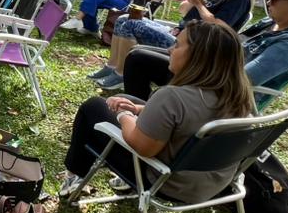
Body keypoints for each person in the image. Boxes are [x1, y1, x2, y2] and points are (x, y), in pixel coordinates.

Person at [61, 19, 256, 203]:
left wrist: (123, 115)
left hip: (164, 182)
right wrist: (138, 109)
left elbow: (143, 147)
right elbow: (191, 120)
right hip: (211, 185)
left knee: (94, 107)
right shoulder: (240, 99)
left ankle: (74, 175)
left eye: (177, 45)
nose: (170, 50)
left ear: (198, 57)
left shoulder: (173, 97)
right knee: (127, 99)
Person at [122, 0, 288, 102]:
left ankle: (147, 119)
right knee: (139, 56)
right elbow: (236, 44)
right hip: (212, 71)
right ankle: (146, 114)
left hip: (218, 91)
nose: (268, 3)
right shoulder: (271, 23)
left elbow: (244, 79)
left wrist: (198, 65)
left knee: (140, 60)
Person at [90, 0, 257, 90]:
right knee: (123, 19)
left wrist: (199, 5)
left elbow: (220, 25)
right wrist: (191, 2)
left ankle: (121, 74)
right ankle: (112, 66)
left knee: (131, 24)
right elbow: (183, 10)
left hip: (192, 46)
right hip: (179, 33)